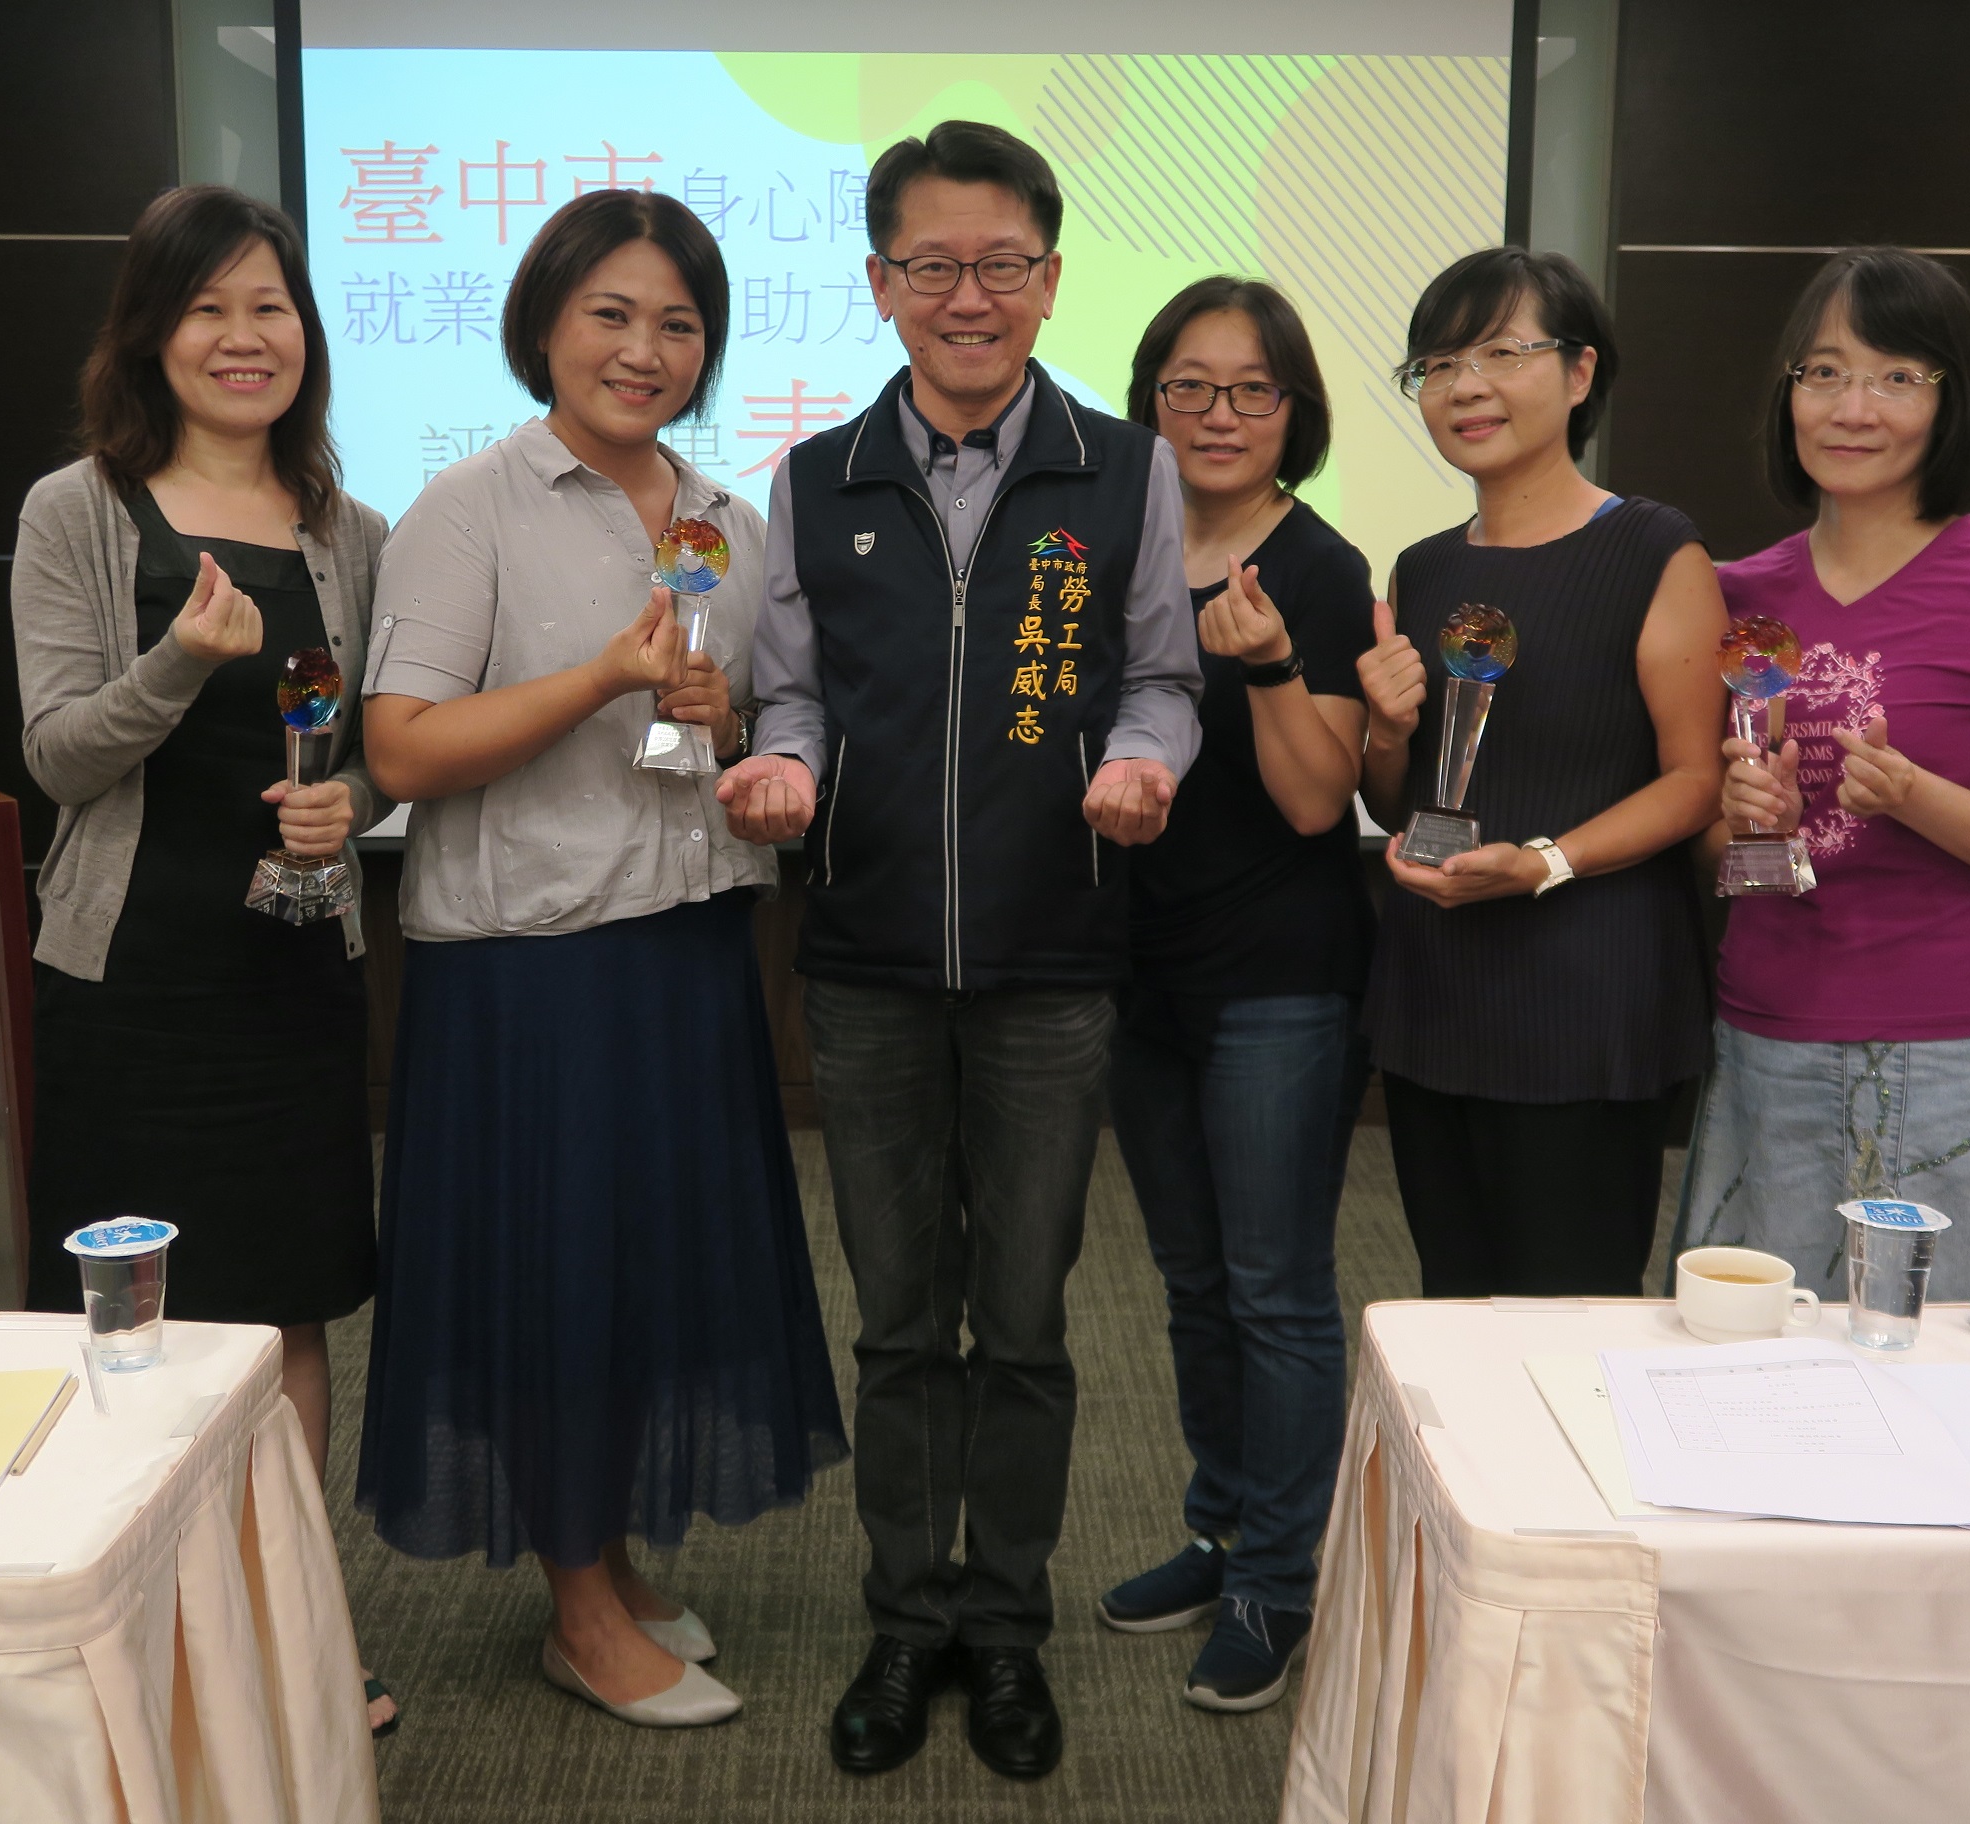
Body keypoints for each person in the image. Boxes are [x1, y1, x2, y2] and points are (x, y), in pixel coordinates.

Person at [717, 120, 1202, 1781]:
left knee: (1027, 1319)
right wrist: (784, 768)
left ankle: (1004, 1625)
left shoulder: (1122, 471)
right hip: (859, 962)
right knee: (898, 1321)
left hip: (1052, 961)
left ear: (1049, 278)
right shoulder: (816, 480)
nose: (967, 296)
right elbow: (789, 692)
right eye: (932, 264)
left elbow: (1160, 677)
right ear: (879, 283)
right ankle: (903, 1615)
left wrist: (1141, 762)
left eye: (1000, 263)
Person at [355, 188, 847, 1730]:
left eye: (678, 323)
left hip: (689, 948)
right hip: (533, 973)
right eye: (611, 315)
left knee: (643, 1275)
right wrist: (602, 678)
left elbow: (744, 730)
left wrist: (730, 726)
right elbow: (401, 748)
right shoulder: (468, 508)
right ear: (543, 327)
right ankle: (576, 1610)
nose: (645, 350)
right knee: (557, 1282)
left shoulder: (726, 522)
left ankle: (611, 1556)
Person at [11, 185, 399, 1734]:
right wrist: (179, 657)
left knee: (286, 1319)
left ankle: (289, 1650)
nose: (246, 338)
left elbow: (377, 755)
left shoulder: (350, 531)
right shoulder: (78, 511)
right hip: (129, 987)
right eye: (208, 309)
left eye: (271, 307)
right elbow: (57, 756)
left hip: (293, 978)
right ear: (151, 336)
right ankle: (141, 1655)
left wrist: (349, 807)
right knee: (135, 1329)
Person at [1684, 247, 1970, 1299]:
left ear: (1947, 400)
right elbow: (1711, 847)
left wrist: (1912, 796)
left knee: (1944, 1362)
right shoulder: (1733, 597)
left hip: (1959, 1047)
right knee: (1763, 1352)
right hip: (1770, 1034)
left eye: (1895, 377)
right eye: (1823, 372)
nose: (1851, 408)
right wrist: (1745, 821)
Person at [1093, 278, 1372, 1714]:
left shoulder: (1317, 566)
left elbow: (1317, 802)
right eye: (1187, 386)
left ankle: (1278, 1574)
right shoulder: (1114, 548)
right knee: (1191, 1281)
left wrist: (1266, 665)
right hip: (1133, 971)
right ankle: (1217, 1529)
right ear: (1148, 399)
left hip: (1276, 981)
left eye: (1249, 389)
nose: (1216, 414)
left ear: (1290, 412)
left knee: (1274, 1290)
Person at [1358, 247, 1727, 1298]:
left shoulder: (1654, 548)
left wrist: (1545, 863)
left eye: (1500, 353)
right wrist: (1383, 731)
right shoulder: (1425, 566)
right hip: (1438, 986)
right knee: (1452, 1300)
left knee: (1568, 1316)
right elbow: (1401, 798)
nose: (1463, 386)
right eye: (1436, 364)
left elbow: (1692, 780)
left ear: (1578, 372)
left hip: (1586, 993)